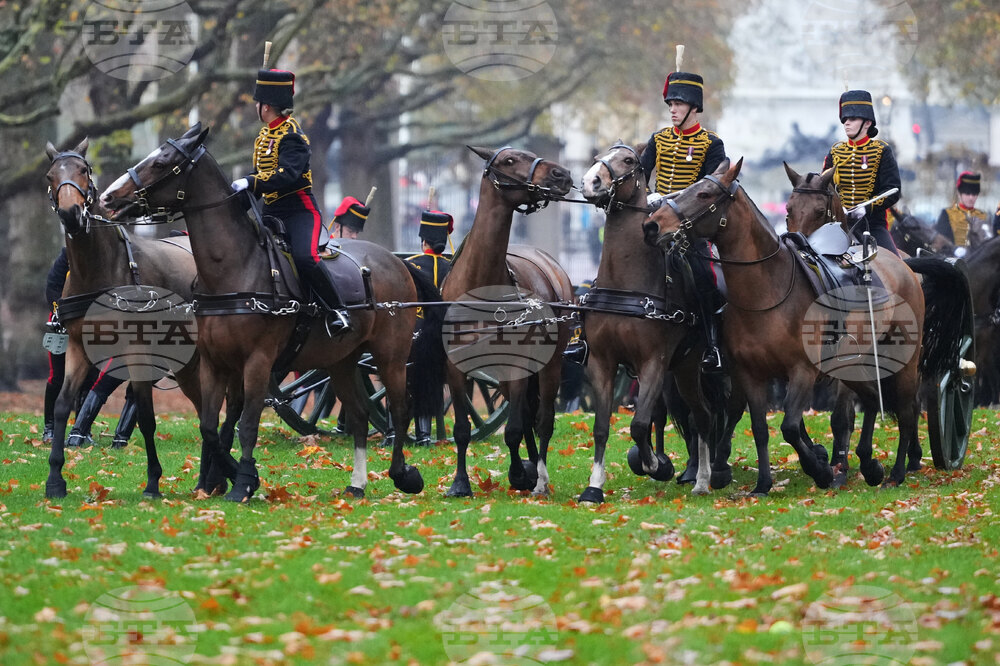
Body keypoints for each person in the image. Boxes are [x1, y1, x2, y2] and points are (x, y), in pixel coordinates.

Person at [231, 67, 349, 334]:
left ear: (267, 106)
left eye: (258, 103)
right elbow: (261, 177)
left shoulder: (292, 135)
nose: (256, 107)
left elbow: (287, 175)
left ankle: (337, 311)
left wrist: (252, 181)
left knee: (305, 258)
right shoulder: (263, 137)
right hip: (270, 212)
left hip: (299, 212)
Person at [639, 67, 727, 373]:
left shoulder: (711, 144)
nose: (672, 110)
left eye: (677, 104)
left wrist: (671, 200)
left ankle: (713, 346)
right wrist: (647, 195)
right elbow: (640, 176)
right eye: (670, 105)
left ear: (693, 107)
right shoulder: (658, 139)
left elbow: (709, 188)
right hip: (655, 223)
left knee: (707, 277)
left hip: (690, 228)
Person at [823, 90, 902, 255]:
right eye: (844, 119)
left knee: (896, 265)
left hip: (872, 226)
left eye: (852, 119)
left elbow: (893, 191)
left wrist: (867, 208)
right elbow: (824, 188)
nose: (846, 123)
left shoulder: (882, 150)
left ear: (867, 123)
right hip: (839, 226)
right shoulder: (836, 151)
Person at [402, 210, 454, 446]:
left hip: (411, 334)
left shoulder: (410, 265)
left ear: (423, 240)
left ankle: (402, 431)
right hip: (445, 337)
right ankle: (425, 434)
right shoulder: (453, 269)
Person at [936, 172, 992, 254]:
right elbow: (941, 242)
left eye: (974, 194)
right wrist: (954, 250)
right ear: (959, 193)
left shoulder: (984, 216)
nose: (971, 198)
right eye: (967, 193)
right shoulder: (947, 214)